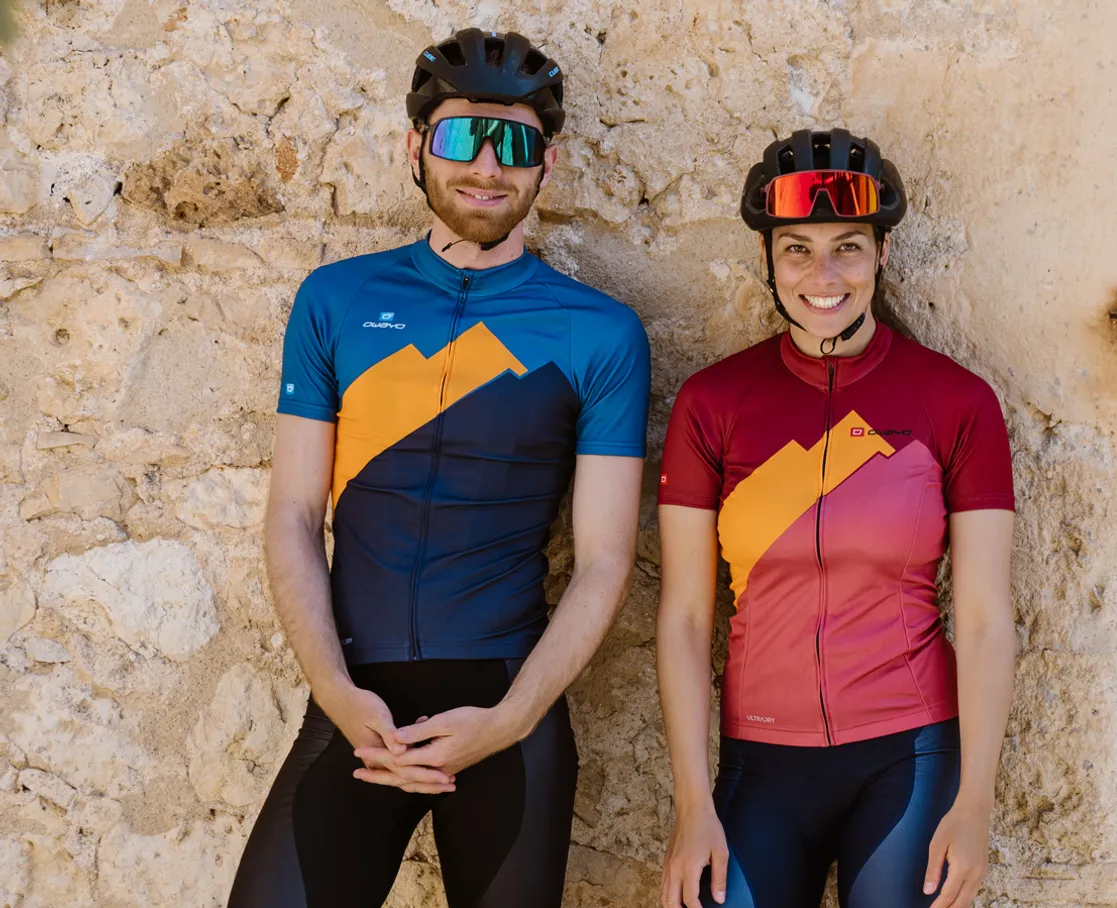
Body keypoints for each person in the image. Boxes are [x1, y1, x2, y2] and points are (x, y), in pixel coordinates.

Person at [228, 28, 650, 908]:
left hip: (507, 713)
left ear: (549, 165)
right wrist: (336, 695)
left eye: (517, 145)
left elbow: (606, 559)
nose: (488, 169)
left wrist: (512, 719)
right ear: (414, 146)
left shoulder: (601, 332)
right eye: (462, 138)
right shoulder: (336, 299)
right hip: (353, 706)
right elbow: (295, 516)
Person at [656, 129, 1016, 908]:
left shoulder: (957, 402)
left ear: (882, 255)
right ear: (770, 261)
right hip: (762, 762)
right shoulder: (711, 405)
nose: (824, 275)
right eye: (798, 249)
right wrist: (692, 806)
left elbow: (986, 618)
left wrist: (976, 803)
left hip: (908, 760)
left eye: (848, 246)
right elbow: (685, 618)